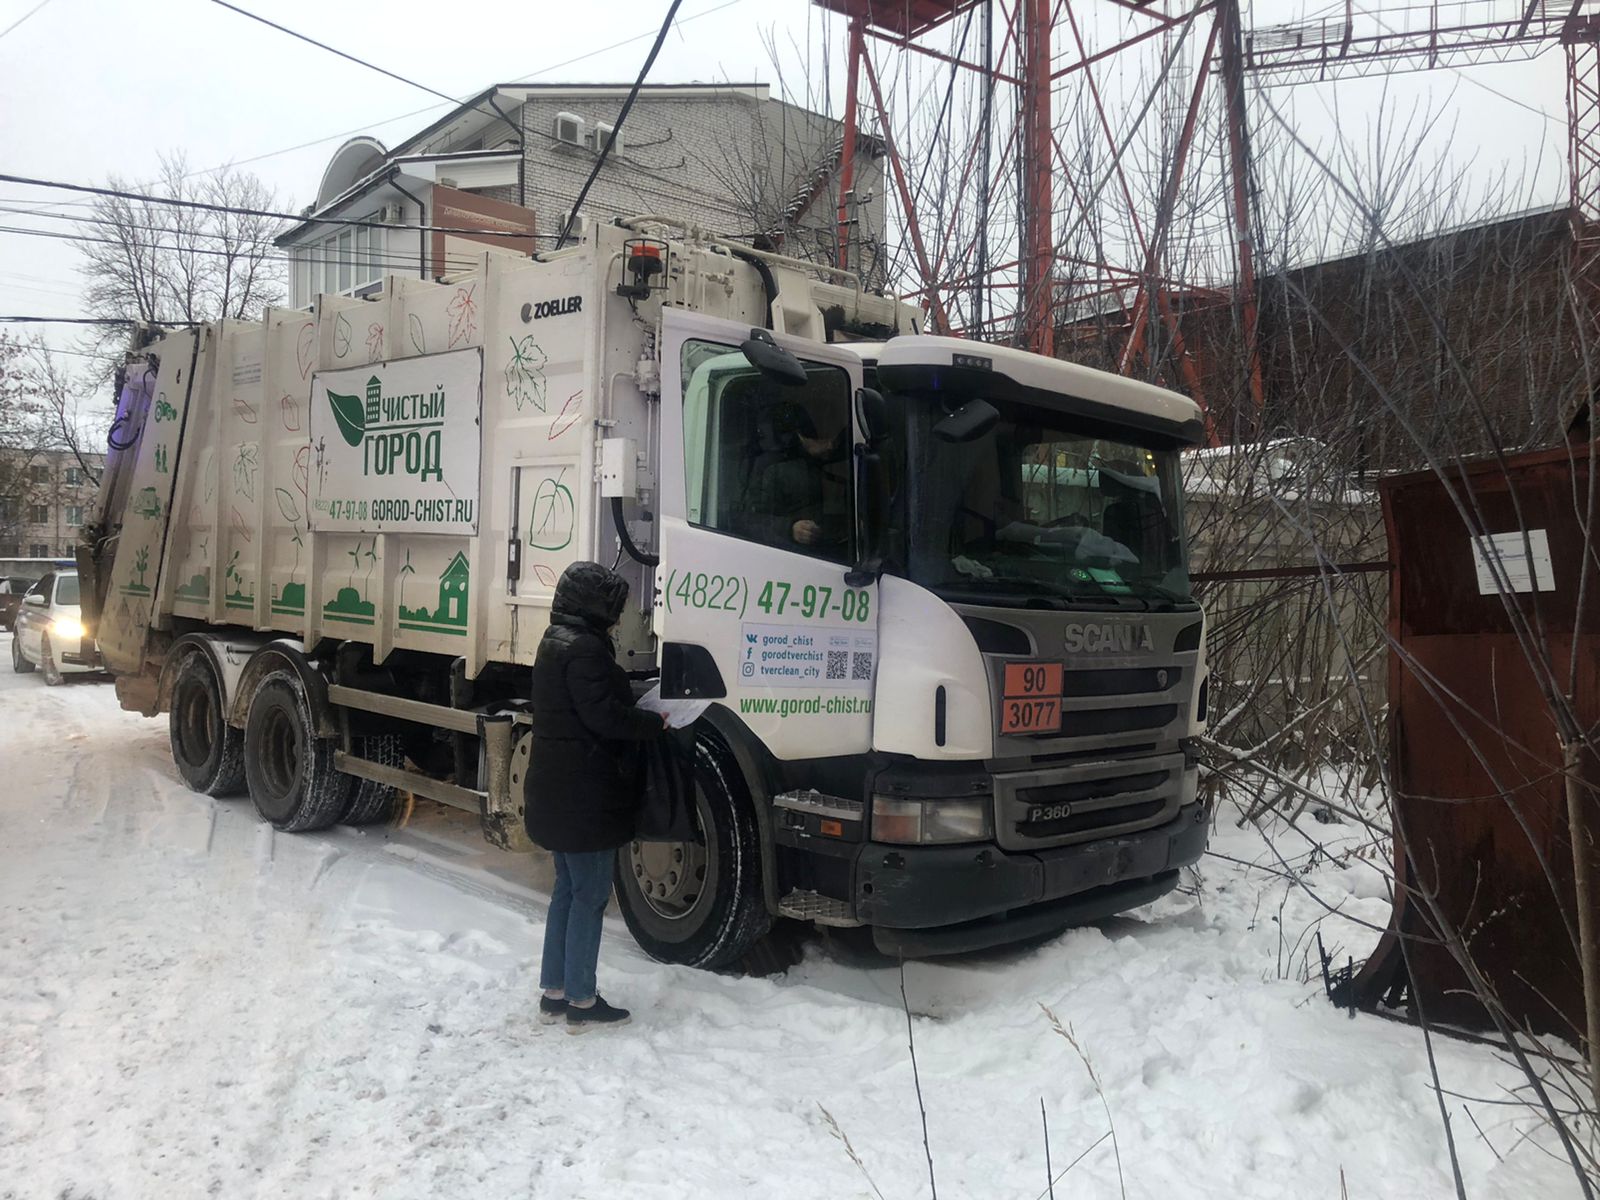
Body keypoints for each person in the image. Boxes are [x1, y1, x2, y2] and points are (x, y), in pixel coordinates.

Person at [524, 561, 666, 1033]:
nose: (616, 615)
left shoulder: (555, 641)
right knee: (589, 895)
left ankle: (555, 990)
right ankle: (582, 1000)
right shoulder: (584, 649)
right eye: (611, 606)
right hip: (582, 792)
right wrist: (654, 722)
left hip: (561, 788)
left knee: (567, 889)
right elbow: (604, 717)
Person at [736, 401, 848, 552]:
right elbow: (748, 521)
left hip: (817, 547)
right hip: (783, 553)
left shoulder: (809, 464)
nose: (825, 443)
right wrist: (790, 529)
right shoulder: (768, 468)